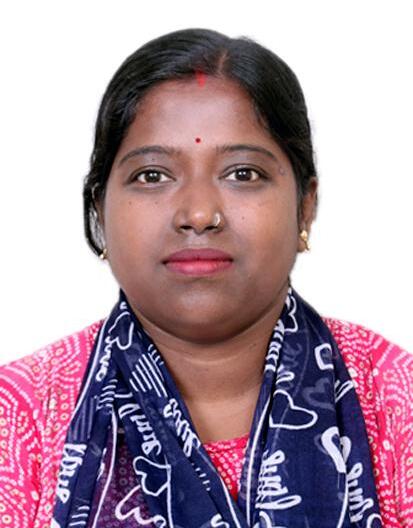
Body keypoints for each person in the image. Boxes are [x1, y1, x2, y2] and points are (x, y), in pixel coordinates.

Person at [0, 28, 411, 528]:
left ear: (305, 205)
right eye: (152, 175)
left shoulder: (397, 403)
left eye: (243, 173)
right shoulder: (18, 417)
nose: (198, 214)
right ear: (99, 211)